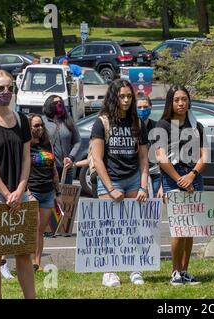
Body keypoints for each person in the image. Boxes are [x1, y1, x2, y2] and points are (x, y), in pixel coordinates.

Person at [0, 69, 35, 298]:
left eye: (9, 88)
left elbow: (26, 157)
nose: (5, 92)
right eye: (0, 88)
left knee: (23, 251)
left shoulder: (22, 120)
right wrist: (6, 193)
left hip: (19, 193)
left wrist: (20, 189)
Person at [91, 79, 149, 287]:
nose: (125, 100)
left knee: (134, 226)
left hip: (133, 178)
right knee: (110, 227)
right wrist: (110, 188)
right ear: (113, 97)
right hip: (110, 179)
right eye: (121, 96)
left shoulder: (137, 123)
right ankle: (109, 270)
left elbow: (143, 158)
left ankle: (135, 267)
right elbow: (97, 160)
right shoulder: (102, 122)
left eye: (129, 96)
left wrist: (144, 185)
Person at [155, 85, 207, 286]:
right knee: (179, 228)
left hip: (194, 178)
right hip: (172, 179)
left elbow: (205, 156)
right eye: (177, 99)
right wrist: (180, 179)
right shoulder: (163, 125)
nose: (181, 103)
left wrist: (192, 175)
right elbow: (161, 158)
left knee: (191, 227)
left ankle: (185, 271)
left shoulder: (196, 126)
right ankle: (175, 272)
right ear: (170, 102)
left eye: (184, 99)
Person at [27, 114, 63, 271]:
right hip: (32, 191)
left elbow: (54, 170)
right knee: (32, 229)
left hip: (48, 192)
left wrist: (58, 193)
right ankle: (28, 263)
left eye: (41, 125)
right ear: (29, 128)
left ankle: (37, 263)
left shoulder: (47, 145)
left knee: (40, 230)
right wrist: (27, 193)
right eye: (35, 126)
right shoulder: (25, 146)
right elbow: (21, 172)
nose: (40, 128)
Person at [42, 95, 81, 184]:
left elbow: (77, 141)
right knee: (52, 196)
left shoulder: (68, 120)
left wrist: (71, 157)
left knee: (65, 197)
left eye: (61, 102)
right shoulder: (42, 122)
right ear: (49, 105)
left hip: (66, 169)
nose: (59, 104)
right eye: (55, 103)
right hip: (48, 169)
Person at [136, 92, 163, 198]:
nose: (142, 110)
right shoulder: (130, 128)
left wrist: (163, 185)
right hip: (136, 175)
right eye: (139, 107)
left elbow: (164, 157)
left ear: (151, 107)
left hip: (155, 174)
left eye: (145, 107)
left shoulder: (158, 128)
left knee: (154, 210)